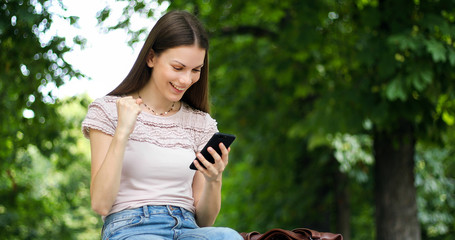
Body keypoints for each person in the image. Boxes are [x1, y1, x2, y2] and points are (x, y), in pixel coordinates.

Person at [81, 10, 243, 240]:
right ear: (151, 58)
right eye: (178, 68)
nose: (186, 80)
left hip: (188, 229)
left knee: (228, 236)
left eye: (195, 70)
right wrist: (123, 132)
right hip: (131, 228)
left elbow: (205, 221)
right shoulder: (108, 110)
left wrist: (214, 179)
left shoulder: (200, 123)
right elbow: (100, 204)